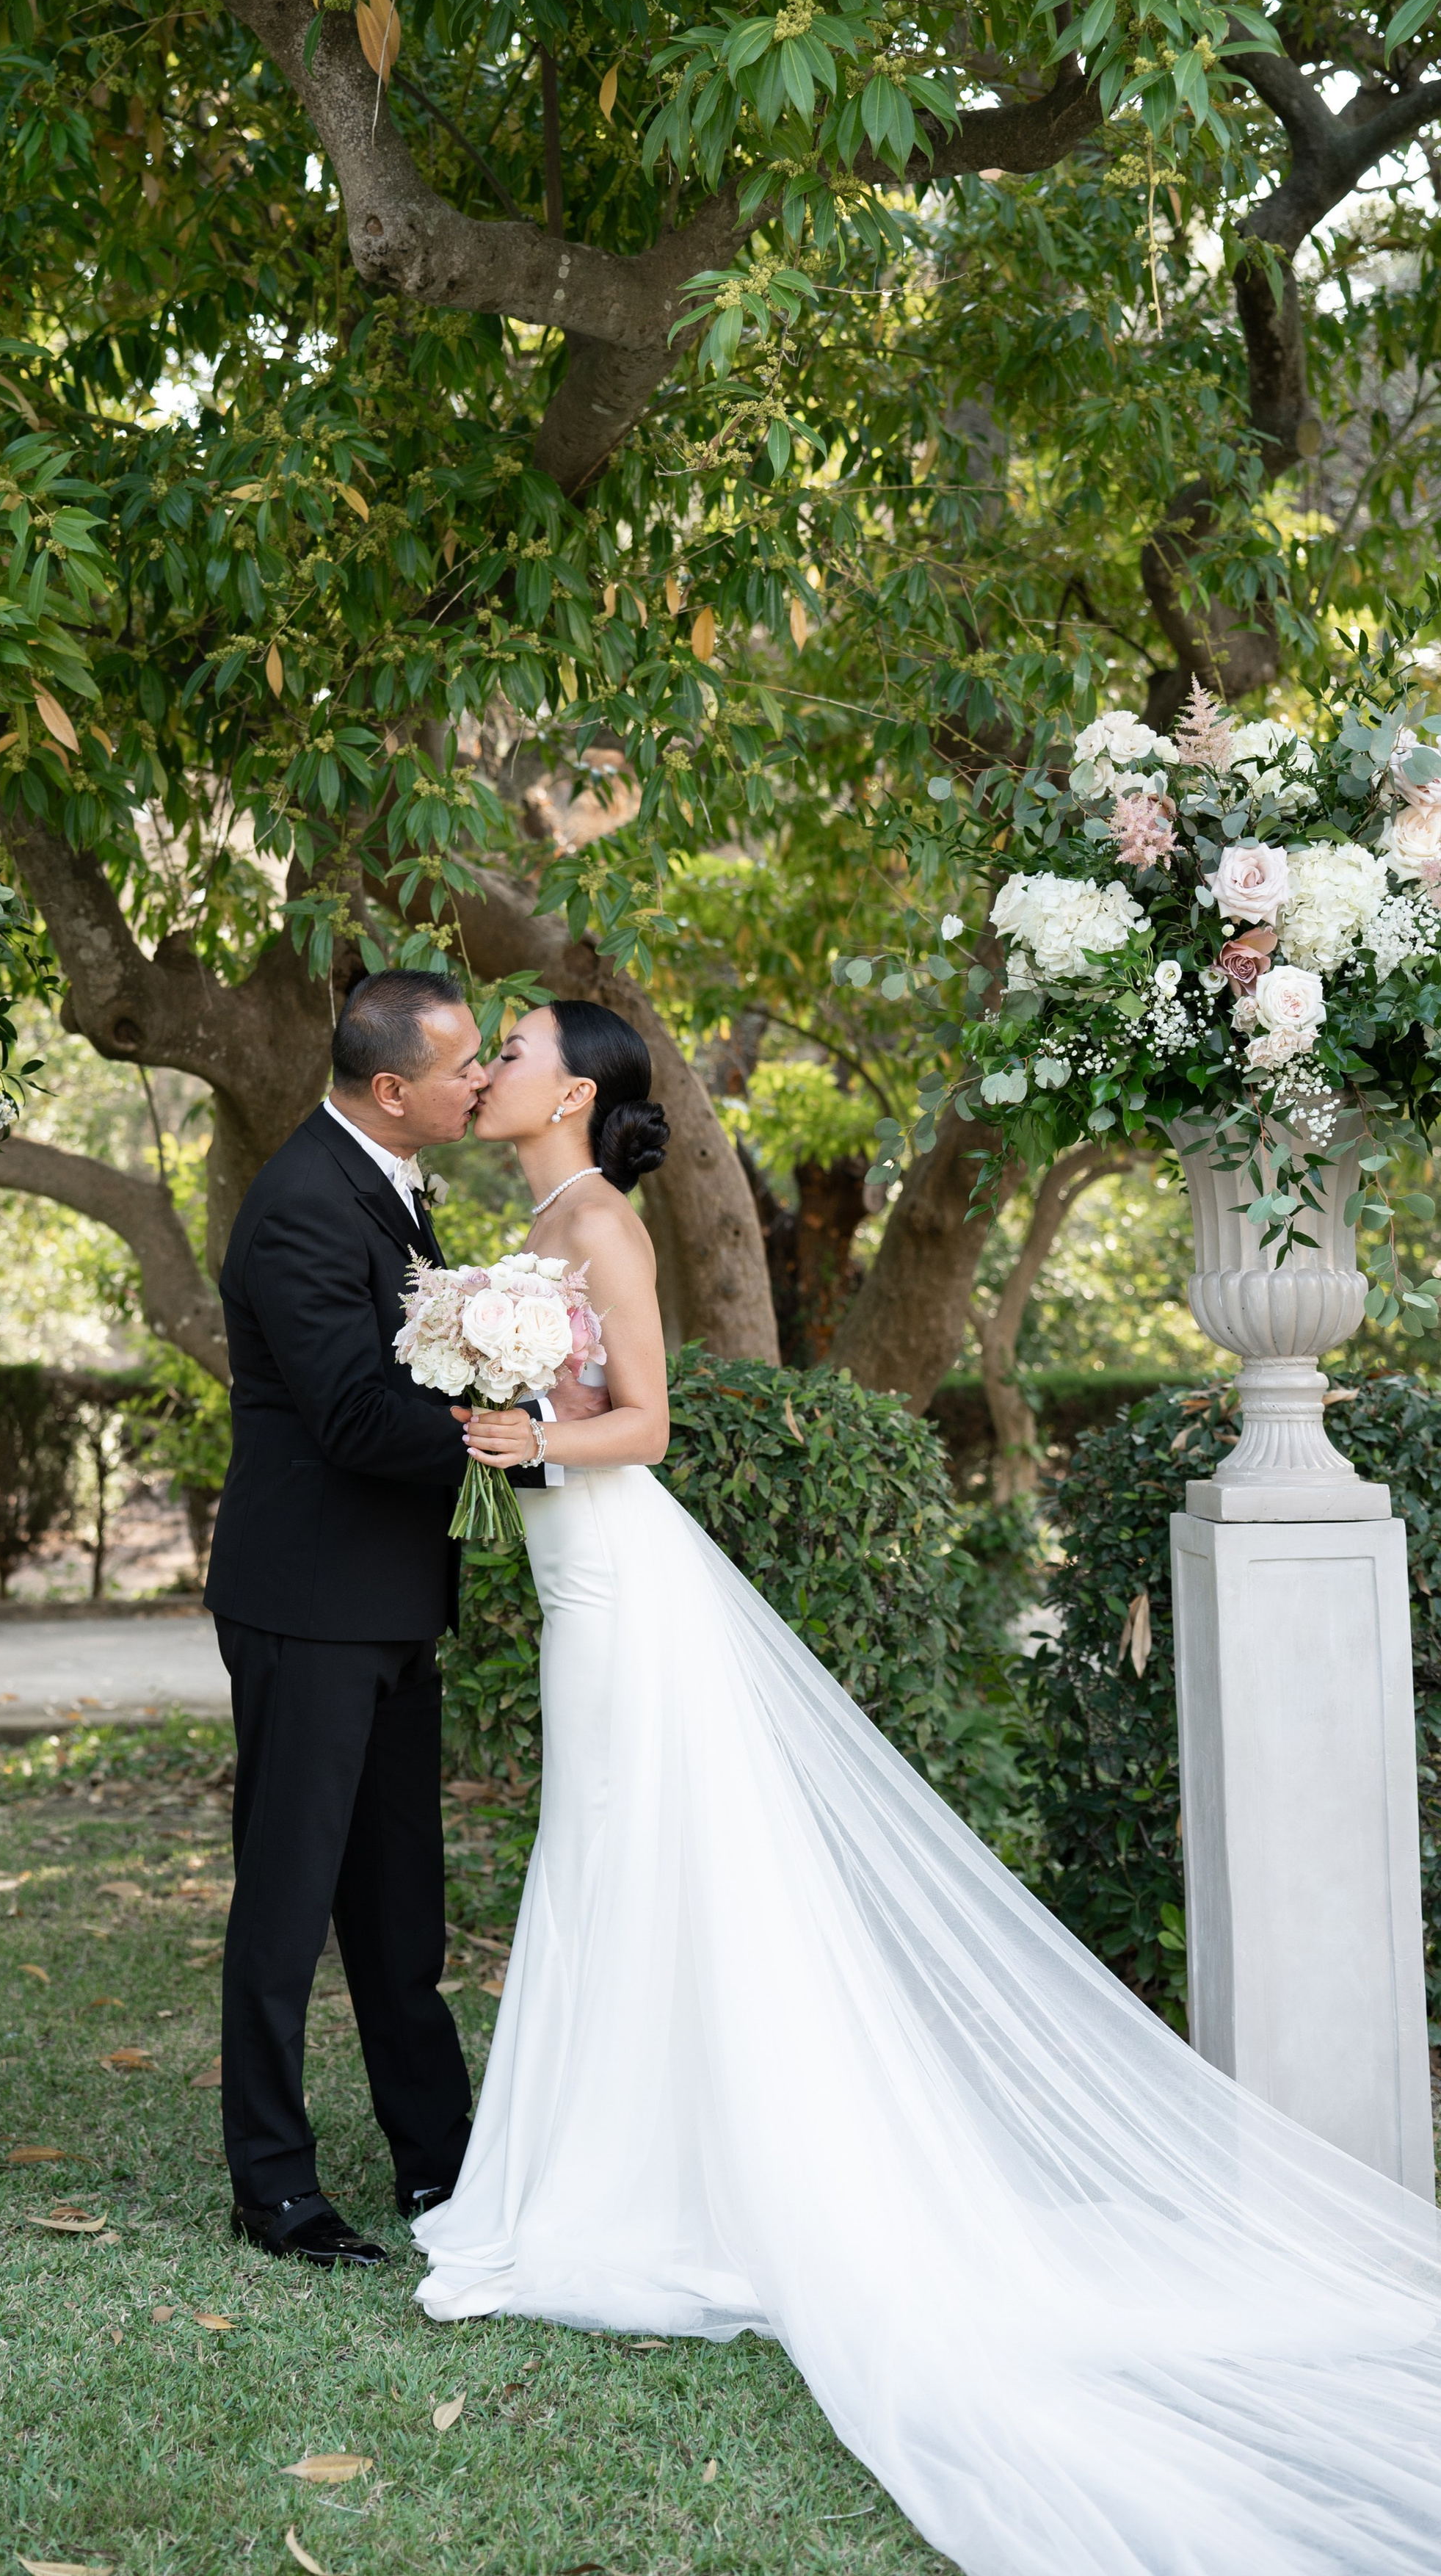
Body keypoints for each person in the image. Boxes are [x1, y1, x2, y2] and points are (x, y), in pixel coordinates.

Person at [414, 997, 1441, 2576]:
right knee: (609, 1858)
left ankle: (617, 2190)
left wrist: (525, 1440)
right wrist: (512, 1420)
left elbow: (648, 1423)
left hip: (616, 1581)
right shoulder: (543, 1209)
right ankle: (597, 2168)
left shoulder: (601, 1219)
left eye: (519, 1048)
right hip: (580, 1580)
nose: (492, 1068)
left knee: (622, 1856)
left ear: (576, 1091)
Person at [206, 966, 601, 2268]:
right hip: (308, 1601)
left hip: (386, 1599)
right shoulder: (302, 1208)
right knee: (287, 1902)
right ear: (393, 1090)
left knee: (398, 1906)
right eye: (461, 1068)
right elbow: (357, 1417)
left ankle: (440, 2163)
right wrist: (537, 1447)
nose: (482, 1080)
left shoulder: (390, 1188)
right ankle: (275, 2192)